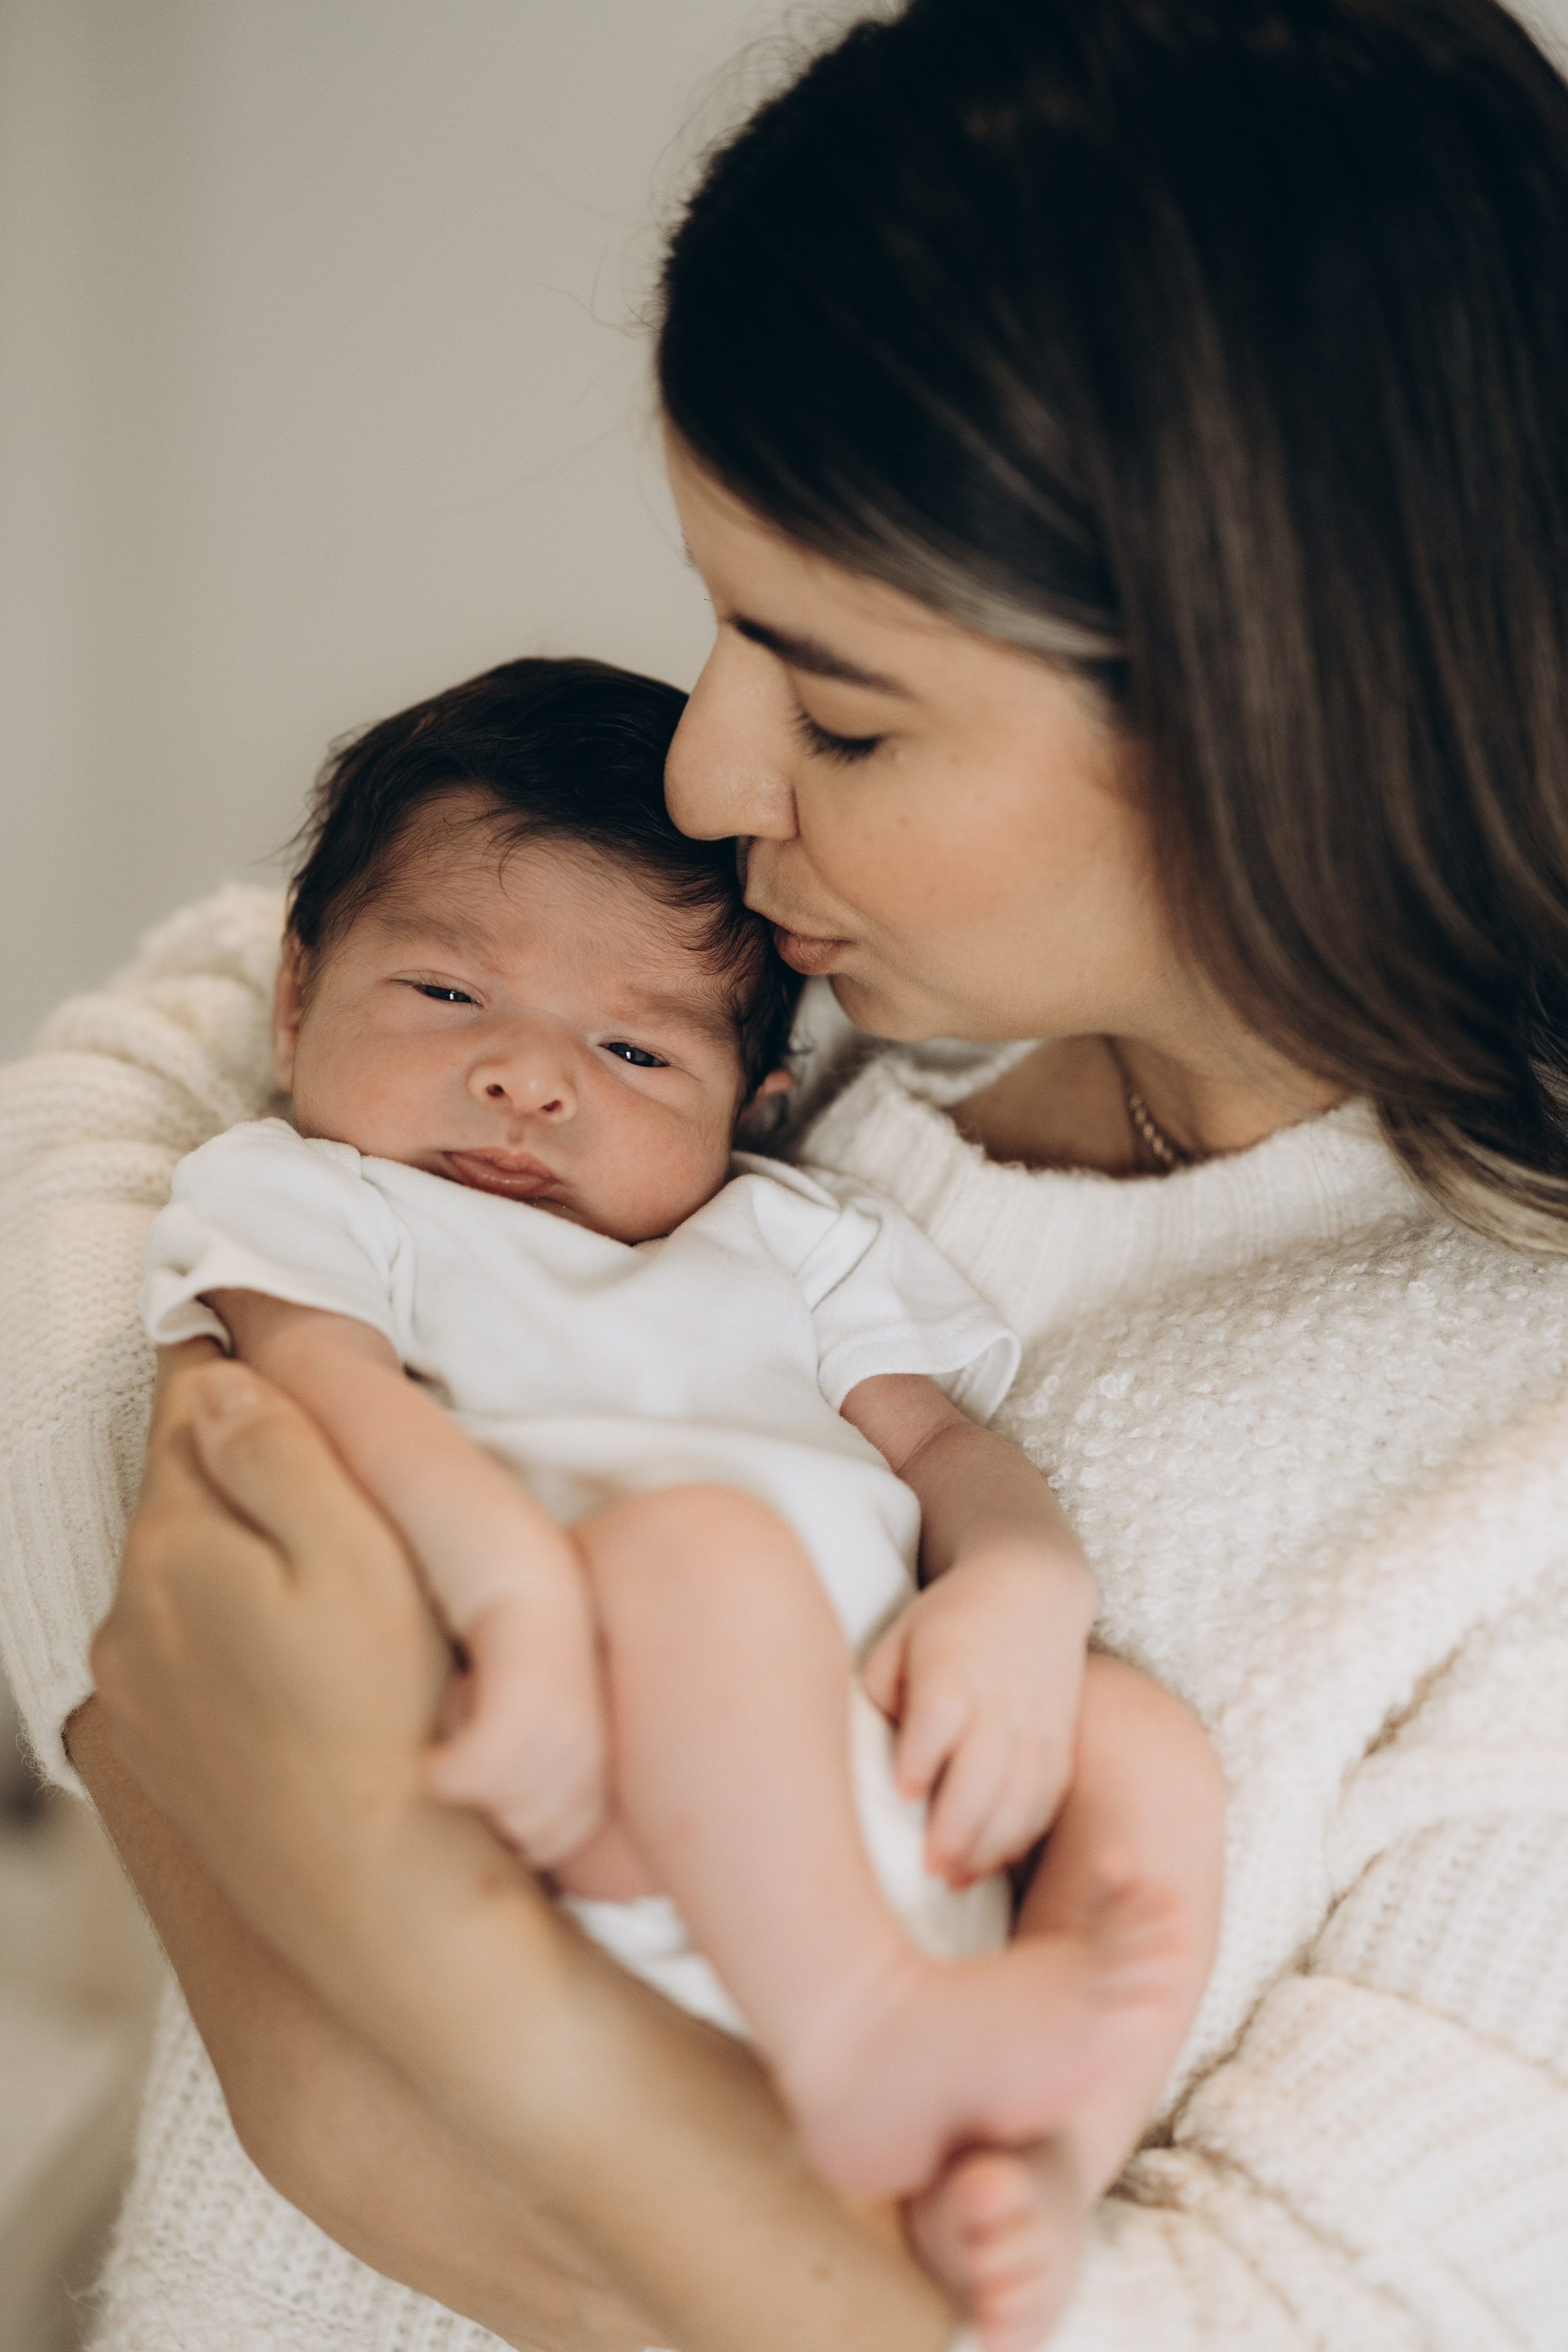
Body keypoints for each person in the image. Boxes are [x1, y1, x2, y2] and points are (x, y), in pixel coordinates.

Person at [2, 0, 1567, 2345]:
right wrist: (163, 1733)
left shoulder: (1513, 1448)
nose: (708, 781)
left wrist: (396, 1996)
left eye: (839, 708)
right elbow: (132, 1095)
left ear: (1285, 715)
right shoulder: (754, 993)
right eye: (718, 616)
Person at [136, 652, 1220, 2345]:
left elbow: (949, 1455)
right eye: (446, 993)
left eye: (635, 1048)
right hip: (579, 1747)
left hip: (877, 1761)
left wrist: (1023, 1589)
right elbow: (326, 1397)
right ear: (294, 997)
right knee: (701, 1550)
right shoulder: (312, 1194)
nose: (528, 1078)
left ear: (755, 1106)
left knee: (1143, 1743)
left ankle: (1036, 2168)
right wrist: (507, 1580)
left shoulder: (789, 1239)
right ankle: (860, 2033)